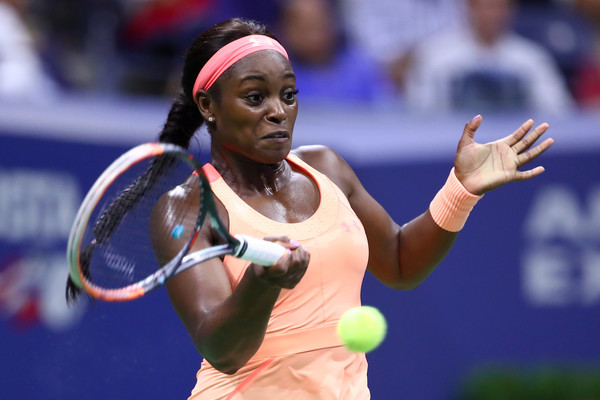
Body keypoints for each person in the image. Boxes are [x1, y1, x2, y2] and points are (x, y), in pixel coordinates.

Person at [66, 17, 554, 399]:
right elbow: (222, 349)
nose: (278, 110)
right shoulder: (186, 209)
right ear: (209, 106)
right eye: (255, 97)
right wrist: (263, 282)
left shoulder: (328, 168)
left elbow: (402, 264)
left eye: (288, 94)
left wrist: (461, 189)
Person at [404, 0, 574, 114]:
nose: (495, 14)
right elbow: (421, 112)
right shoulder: (436, 55)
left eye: (501, 6)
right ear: (470, 7)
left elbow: (557, 110)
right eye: (488, 6)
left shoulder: (531, 58)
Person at [274, 0, 394, 105]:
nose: (313, 37)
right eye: (304, 29)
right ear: (286, 29)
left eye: (318, 27)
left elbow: (387, 116)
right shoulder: (274, 77)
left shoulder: (362, 71)